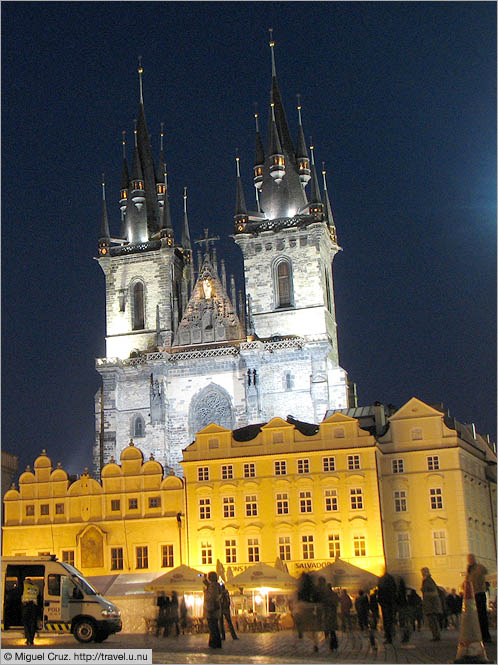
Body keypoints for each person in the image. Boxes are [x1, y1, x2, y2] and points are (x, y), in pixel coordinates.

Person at [466, 553, 492, 643]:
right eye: (468, 559)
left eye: (471, 559)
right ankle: (479, 635)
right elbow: (468, 580)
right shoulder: (469, 569)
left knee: (482, 615)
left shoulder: (479, 568)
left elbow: (485, 572)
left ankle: (486, 636)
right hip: (473, 595)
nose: (469, 561)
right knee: (475, 616)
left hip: (479, 593)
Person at [316, 577, 339, 651]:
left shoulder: (325, 595)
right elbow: (337, 603)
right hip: (333, 614)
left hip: (327, 614)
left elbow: (321, 604)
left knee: (327, 630)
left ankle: (331, 645)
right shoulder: (334, 594)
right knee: (332, 631)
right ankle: (334, 644)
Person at [420, 567, 442, 641]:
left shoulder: (428, 580)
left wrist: (423, 589)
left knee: (432, 621)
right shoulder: (428, 580)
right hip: (431, 604)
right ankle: (436, 635)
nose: (422, 574)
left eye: (423, 572)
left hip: (431, 604)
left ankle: (436, 636)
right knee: (433, 620)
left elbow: (430, 590)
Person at [377, 570, 397, 644]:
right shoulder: (391, 580)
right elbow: (395, 590)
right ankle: (392, 634)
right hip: (391, 602)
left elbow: (380, 592)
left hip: (385, 603)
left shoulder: (381, 580)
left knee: (386, 620)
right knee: (391, 619)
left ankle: (388, 636)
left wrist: (380, 601)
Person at [204, 572, 222, 649]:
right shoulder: (216, 585)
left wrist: (205, 591)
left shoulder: (213, 586)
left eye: (209, 577)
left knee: (213, 627)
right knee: (214, 627)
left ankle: (214, 643)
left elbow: (211, 597)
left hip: (211, 609)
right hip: (214, 609)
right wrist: (207, 584)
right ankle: (215, 642)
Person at [21, 578, 39, 646]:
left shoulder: (25, 586)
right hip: (34, 607)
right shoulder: (36, 588)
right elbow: (38, 595)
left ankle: (28, 639)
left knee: (26, 623)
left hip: (26, 606)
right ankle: (31, 640)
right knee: (32, 624)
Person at [396, 577, 411, 644]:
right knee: (405, 621)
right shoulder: (405, 591)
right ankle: (406, 636)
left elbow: (399, 599)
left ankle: (405, 636)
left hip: (401, 607)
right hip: (405, 606)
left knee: (402, 622)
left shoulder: (399, 591)